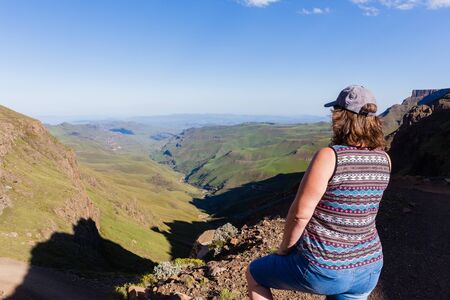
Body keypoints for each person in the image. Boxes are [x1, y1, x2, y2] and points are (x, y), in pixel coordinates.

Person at [246, 85, 391, 300]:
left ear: (341, 117)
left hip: (326, 267)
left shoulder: (330, 156)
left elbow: (300, 214)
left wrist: (285, 250)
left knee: (254, 273)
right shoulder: (385, 159)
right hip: (369, 267)